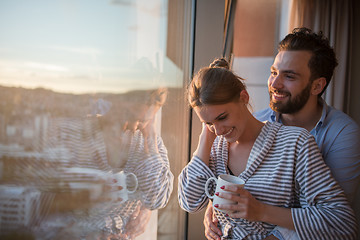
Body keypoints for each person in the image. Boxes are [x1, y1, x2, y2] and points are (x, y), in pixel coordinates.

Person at [203, 27, 360, 240]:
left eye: (289, 76)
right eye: (274, 72)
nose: (275, 84)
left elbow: (329, 220)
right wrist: (215, 207)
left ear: (317, 86)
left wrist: (260, 212)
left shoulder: (344, 135)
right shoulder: (257, 120)